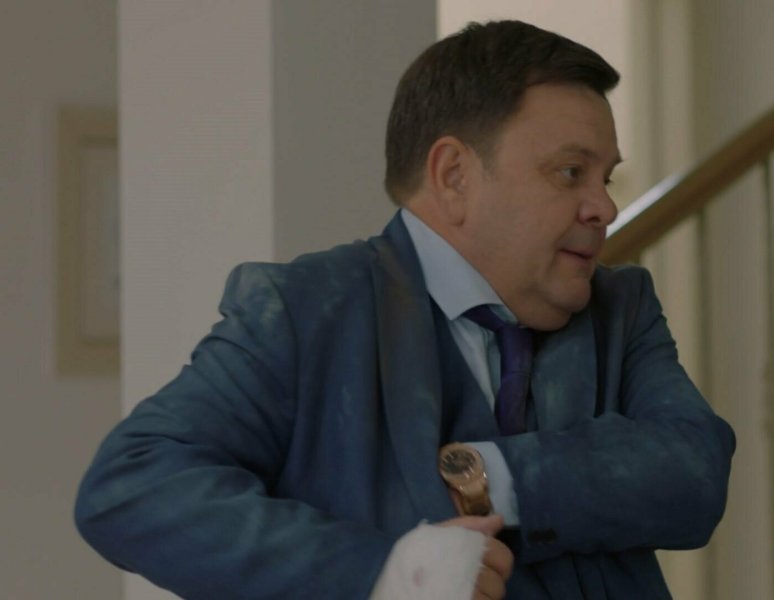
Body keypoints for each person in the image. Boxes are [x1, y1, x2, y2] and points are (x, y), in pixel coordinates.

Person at [75, 20, 735, 599]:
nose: (605, 207)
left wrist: (490, 480)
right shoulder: (304, 313)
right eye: (570, 172)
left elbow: (695, 473)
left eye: (606, 177)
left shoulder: (623, 308)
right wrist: (380, 574)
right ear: (453, 176)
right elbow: (131, 486)